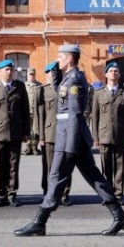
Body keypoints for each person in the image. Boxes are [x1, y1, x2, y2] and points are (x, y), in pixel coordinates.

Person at [15, 44, 124, 237]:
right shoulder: (68, 78)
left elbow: (75, 114)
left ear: (69, 59)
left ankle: (39, 221)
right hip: (70, 136)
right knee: (94, 178)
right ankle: (120, 216)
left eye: (60, 57)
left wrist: (70, 146)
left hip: (70, 138)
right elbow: (62, 96)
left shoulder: (75, 80)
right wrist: (55, 73)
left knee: (56, 177)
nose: (57, 59)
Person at [0, 59, 30, 207]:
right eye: (6, 70)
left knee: (13, 165)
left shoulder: (20, 87)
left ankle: (12, 194)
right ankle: (0, 194)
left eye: (11, 69)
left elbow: (25, 111)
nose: (9, 72)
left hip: (15, 132)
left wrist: (26, 132)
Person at [91, 62, 124, 205]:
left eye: (116, 71)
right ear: (106, 74)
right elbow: (95, 116)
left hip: (120, 135)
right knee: (106, 167)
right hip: (104, 135)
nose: (114, 73)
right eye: (111, 71)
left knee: (120, 167)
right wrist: (95, 137)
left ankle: (119, 195)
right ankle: (108, 195)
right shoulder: (98, 93)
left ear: (119, 75)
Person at [37, 61, 72, 206]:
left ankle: (64, 194)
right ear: (46, 75)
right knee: (49, 166)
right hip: (49, 133)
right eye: (51, 73)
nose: (54, 75)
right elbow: (40, 116)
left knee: (65, 165)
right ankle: (48, 192)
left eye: (56, 72)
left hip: (65, 133)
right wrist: (41, 136)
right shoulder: (43, 91)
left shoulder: (68, 89)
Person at [23, 67, 42, 156]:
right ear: (27, 75)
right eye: (30, 74)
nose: (31, 76)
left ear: (35, 75)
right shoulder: (23, 85)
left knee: (35, 130)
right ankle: (28, 147)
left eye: (33, 74)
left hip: (36, 112)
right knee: (27, 130)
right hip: (26, 112)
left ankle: (35, 147)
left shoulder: (40, 85)